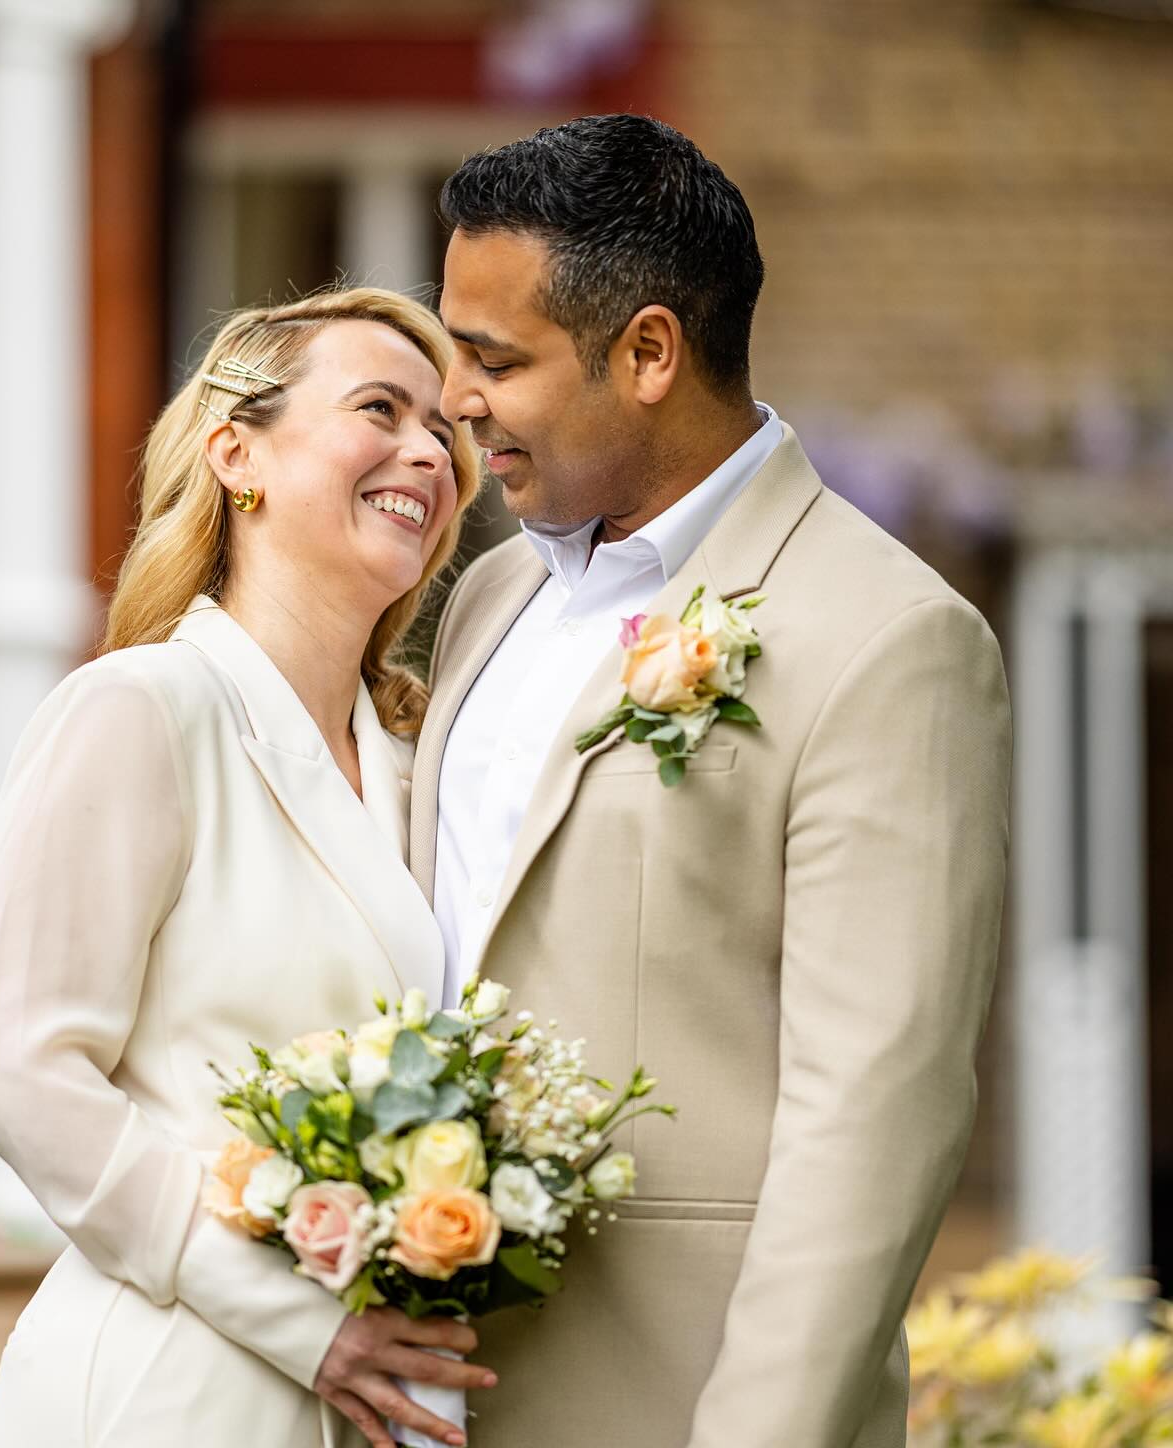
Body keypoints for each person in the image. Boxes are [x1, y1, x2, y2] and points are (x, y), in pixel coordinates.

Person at [415, 114, 1012, 1447]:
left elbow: (875, 1115)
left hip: (671, 1406)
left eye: (494, 359)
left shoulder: (888, 639)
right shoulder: (487, 600)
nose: (455, 397)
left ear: (646, 354)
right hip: (422, 1399)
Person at [0, 287, 492, 1448]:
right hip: (165, 1383)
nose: (426, 451)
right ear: (237, 451)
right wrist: (290, 1314)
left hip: (368, 1402)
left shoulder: (423, 764)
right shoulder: (141, 709)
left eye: (444, 428)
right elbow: (10, 1061)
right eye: (380, 408)